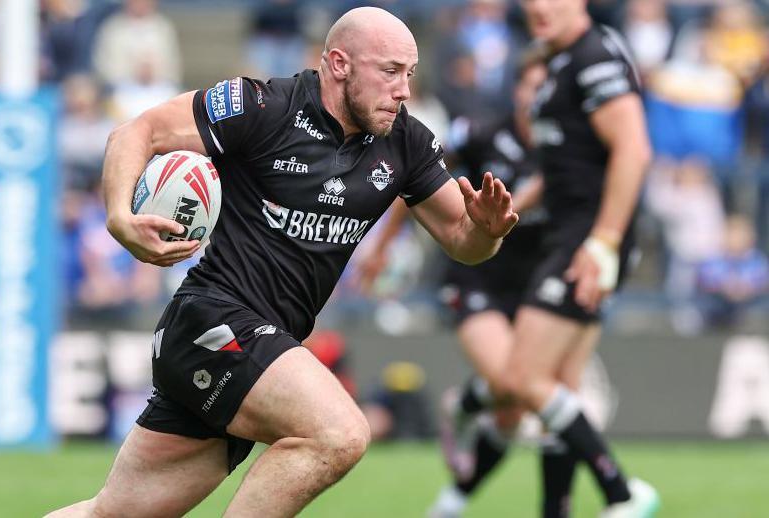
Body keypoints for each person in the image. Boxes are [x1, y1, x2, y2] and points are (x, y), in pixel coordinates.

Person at [45, 7, 519, 518]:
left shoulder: (406, 141)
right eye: (389, 71)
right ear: (339, 63)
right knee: (338, 433)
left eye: (409, 73)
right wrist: (119, 217)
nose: (404, 89)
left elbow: (460, 238)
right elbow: (135, 133)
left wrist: (487, 233)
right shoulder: (263, 105)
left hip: (254, 348)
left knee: (110, 514)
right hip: (214, 321)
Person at [452, 1, 660, 516]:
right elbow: (564, 165)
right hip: (571, 236)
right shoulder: (558, 60)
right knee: (559, 388)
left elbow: (633, 150)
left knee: (520, 379)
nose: (538, 7)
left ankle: (622, 493)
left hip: (584, 240)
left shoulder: (594, 56)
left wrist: (603, 242)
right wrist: (510, 208)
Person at [359, 50, 548, 517]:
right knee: (512, 383)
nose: (538, 95)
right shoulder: (481, 134)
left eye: (548, 86)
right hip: (475, 273)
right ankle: (620, 495)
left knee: (512, 410)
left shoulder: (569, 151)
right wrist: (383, 246)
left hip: (531, 284)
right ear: (517, 89)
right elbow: (414, 175)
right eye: (530, 84)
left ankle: (454, 490)